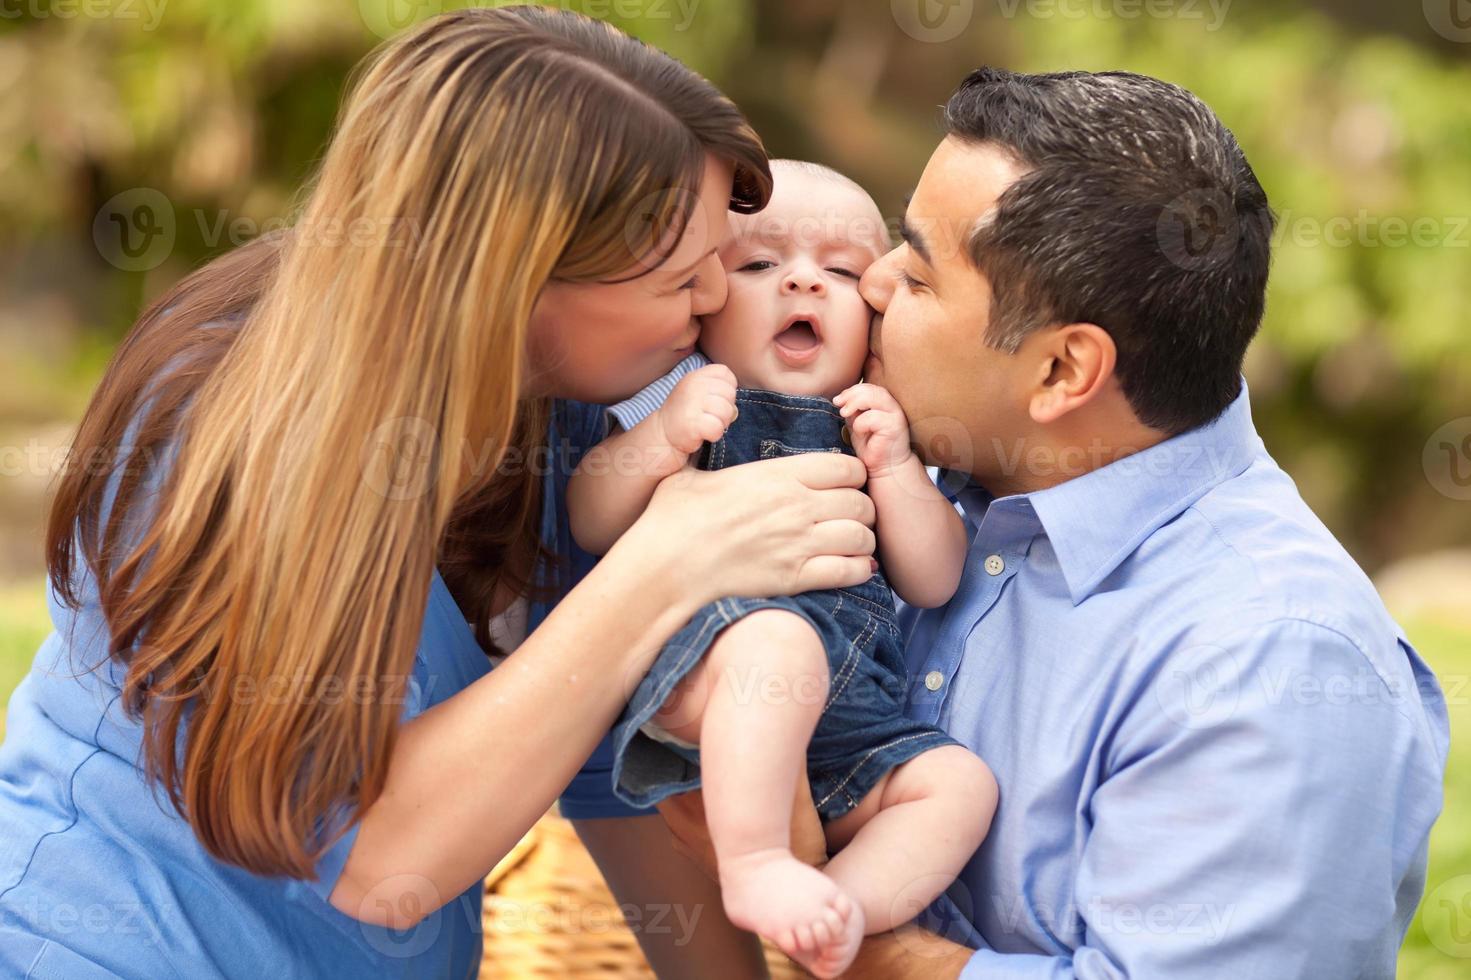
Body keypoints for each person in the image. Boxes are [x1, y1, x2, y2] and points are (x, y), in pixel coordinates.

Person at [0, 9, 879, 977]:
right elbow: (382, 865)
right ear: (515, 280)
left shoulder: (557, 421)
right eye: (682, 276)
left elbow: (599, 760)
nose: (719, 297)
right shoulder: (223, 423)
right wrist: (664, 564)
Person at [654, 68, 1450, 979]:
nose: (867, 284)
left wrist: (828, 917)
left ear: (1062, 373)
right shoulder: (900, 469)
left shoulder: (1267, 659)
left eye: (916, 273)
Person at [566, 159, 996, 977]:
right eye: (760, 265)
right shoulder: (681, 394)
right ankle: (759, 864)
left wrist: (899, 469)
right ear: (700, 306)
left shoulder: (877, 421)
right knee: (779, 644)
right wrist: (660, 442)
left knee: (960, 785)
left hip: (852, 723)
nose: (803, 283)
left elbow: (936, 579)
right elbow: (590, 516)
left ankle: (840, 912)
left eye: (840, 272)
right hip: (712, 669)